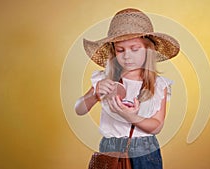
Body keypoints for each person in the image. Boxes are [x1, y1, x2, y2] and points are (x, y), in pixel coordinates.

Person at [74, 8, 180, 169]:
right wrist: (95, 95)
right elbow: (79, 109)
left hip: (146, 153)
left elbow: (157, 126)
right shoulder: (105, 80)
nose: (127, 56)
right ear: (113, 51)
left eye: (135, 49)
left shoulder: (159, 85)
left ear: (148, 50)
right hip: (111, 149)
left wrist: (130, 116)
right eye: (120, 50)